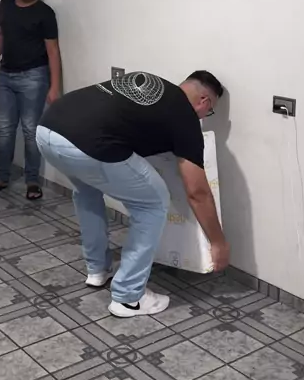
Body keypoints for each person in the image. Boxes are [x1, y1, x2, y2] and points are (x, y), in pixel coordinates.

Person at [36, 70, 229, 318]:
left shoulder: (153, 85)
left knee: (87, 191)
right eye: (209, 111)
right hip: (88, 144)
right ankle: (128, 297)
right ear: (205, 101)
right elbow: (198, 192)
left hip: (47, 129)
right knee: (154, 202)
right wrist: (218, 242)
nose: (203, 116)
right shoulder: (184, 115)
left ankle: (97, 270)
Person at [0, 0, 61, 201]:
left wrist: (55, 86)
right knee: (5, 129)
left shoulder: (45, 13)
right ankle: (1, 178)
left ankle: (32, 181)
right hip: (6, 76)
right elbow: (2, 35)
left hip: (34, 77)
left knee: (30, 131)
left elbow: (53, 51)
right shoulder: (5, 4)